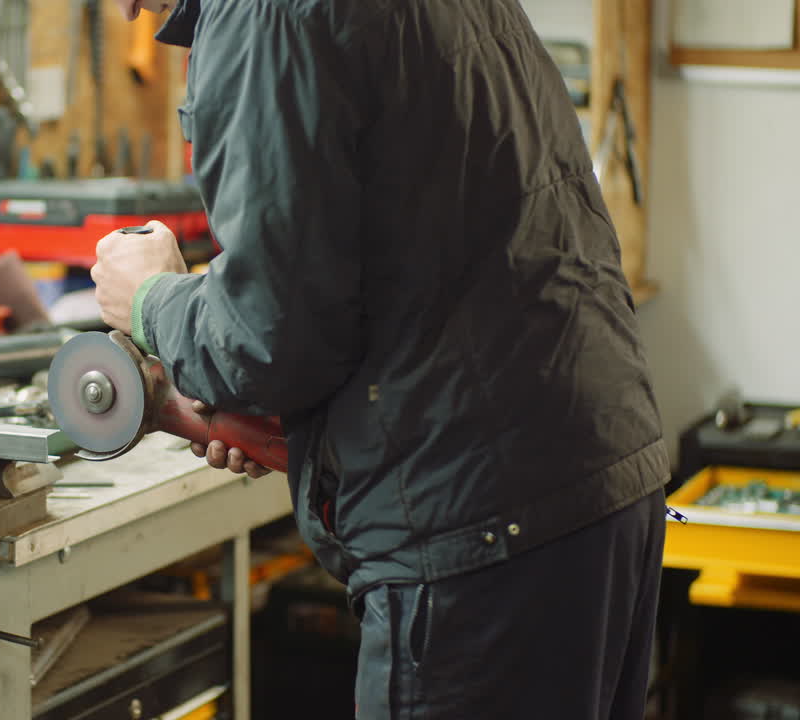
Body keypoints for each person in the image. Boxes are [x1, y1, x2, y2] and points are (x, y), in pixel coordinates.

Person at [90, 0, 670, 717]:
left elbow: (268, 342)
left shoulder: (264, 17)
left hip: (477, 528)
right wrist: (301, 424)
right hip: (595, 480)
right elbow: (407, 238)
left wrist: (151, 300)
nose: (125, 8)